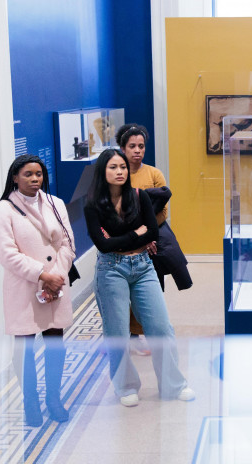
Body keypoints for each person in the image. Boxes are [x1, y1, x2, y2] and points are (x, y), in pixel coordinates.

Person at [83, 149, 194, 407]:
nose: (120, 171)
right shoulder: (92, 205)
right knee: (117, 333)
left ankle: (173, 384)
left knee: (161, 327)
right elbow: (103, 244)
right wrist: (136, 235)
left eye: (122, 167)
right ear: (103, 171)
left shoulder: (139, 195)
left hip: (143, 267)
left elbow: (152, 232)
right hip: (111, 270)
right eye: (113, 167)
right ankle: (125, 387)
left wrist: (130, 238)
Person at [0, 155, 75, 427]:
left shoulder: (56, 203)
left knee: (55, 344)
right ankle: (31, 401)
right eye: (28, 174)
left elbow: (67, 245)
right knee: (25, 349)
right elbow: (7, 254)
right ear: (15, 177)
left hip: (55, 287)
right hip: (24, 288)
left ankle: (53, 398)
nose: (35, 179)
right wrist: (42, 275)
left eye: (38, 174)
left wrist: (56, 277)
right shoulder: (4, 210)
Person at [116, 124, 192, 357]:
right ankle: (129, 336)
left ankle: (149, 334)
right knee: (124, 291)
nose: (137, 150)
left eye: (141, 146)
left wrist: (148, 235)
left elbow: (163, 211)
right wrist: (137, 234)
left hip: (152, 240)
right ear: (122, 148)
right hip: (123, 241)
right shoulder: (117, 173)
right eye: (132, 146)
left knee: (151, 288)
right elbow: (115, 210)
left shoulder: (154, 174)